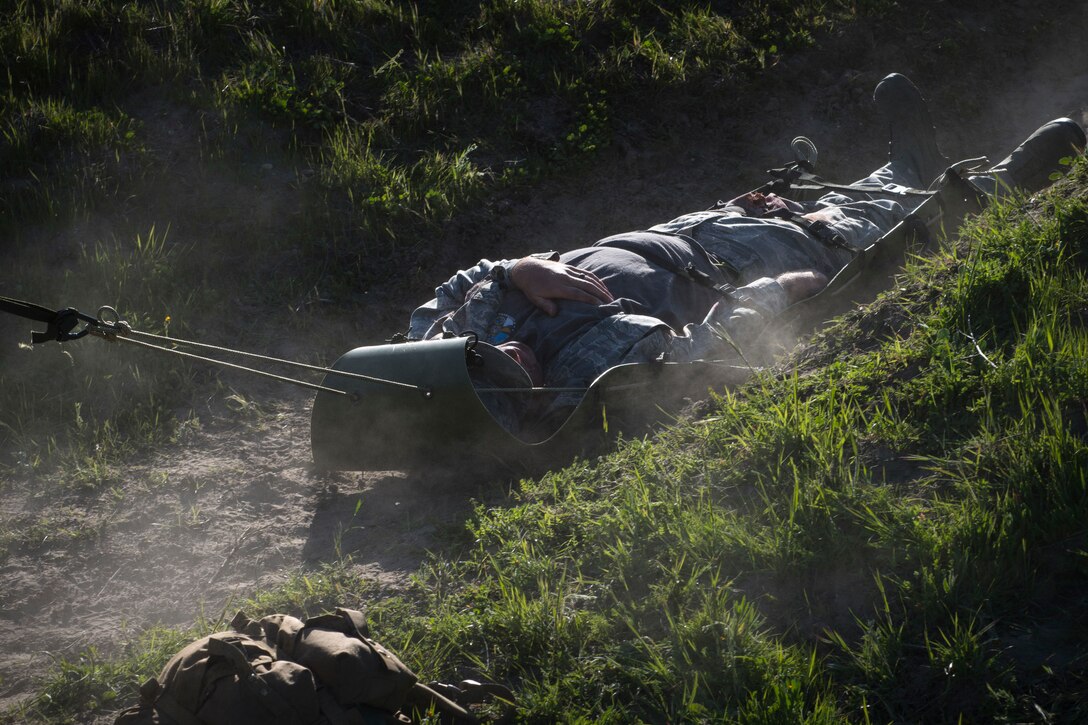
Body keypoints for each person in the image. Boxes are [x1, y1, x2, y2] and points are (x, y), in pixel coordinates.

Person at [406, 73, 1085, 417]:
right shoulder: (581, 378)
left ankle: (906, 166)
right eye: (506, 374)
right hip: (734, 268)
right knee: (835, 234)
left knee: (818, 204)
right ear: (518, 405)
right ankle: (997, 187)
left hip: (690, 230)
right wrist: (770, 296)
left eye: (487, 354)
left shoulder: (450, 337)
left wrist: (523, 268)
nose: (509, 353)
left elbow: (465, 281)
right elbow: (692, 359)